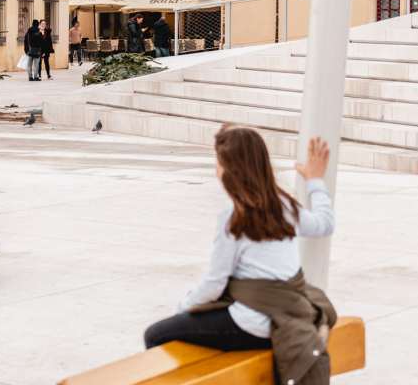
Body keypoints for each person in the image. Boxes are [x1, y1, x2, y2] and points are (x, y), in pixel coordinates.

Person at [143, 126, 336, 385]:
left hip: (252, 325)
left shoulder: (233, 221)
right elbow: (325, 224)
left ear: (227, 171)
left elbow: (214, 283)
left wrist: (184, 308)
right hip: (289, 318)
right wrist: (315, 180)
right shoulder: (285, 207)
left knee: (155, 335)